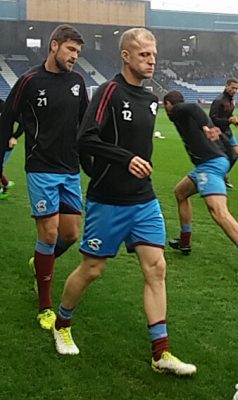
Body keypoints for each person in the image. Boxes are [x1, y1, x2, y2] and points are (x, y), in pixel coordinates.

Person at [52, 28, 197, 377]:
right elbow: (84, 139)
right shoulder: (109, 92)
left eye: (154, 54)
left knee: (156, 268)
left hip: (143, 199)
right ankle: (61, 324)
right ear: (127, 56)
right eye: (144, 54)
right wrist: (123, 159)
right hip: (108, 201)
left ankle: (160, 352)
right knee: (92, 269)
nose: (152, 60)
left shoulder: (150, 99)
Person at [0, 24, 89, 329]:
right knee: (49, 234)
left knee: (70, 235)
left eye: (78, 52)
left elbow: (85, 125)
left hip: (70, 169)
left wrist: (91, 162)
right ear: (54, 46)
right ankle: (44, 307)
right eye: (70, 49)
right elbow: (7, 116)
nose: (75, 56)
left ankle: (40, 263)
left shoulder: (78, 82)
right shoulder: (29, 81)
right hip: (40, 168)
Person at [163, 90, 238, 255]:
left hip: (209, 166)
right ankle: (185, 241)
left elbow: (195, 108)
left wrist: (207, 125)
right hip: (213, 164)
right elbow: (229, 148)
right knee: (180, 193)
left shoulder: (177, 110)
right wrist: (226, 163)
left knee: (219, 213)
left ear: (168, 104)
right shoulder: (188, 117)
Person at [209, 77, 238, 189]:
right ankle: (219, 176)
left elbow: (227, 115)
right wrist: (228, 120)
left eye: (236, 88)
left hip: (227, 131)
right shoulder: (219, 100)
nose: (234, 90)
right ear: (226, 86)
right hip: (219, 132)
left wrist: (233, 120)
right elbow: (213, 119)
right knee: (226, 156)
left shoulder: (231, 101)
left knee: (235, 155)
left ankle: (224, 174)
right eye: (232, 88)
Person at [0, 99, 24, 199]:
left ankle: (3, 189)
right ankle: (5, 184)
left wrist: (15, 137)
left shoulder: (6, 107)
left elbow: (22, 123)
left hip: (5, 144)